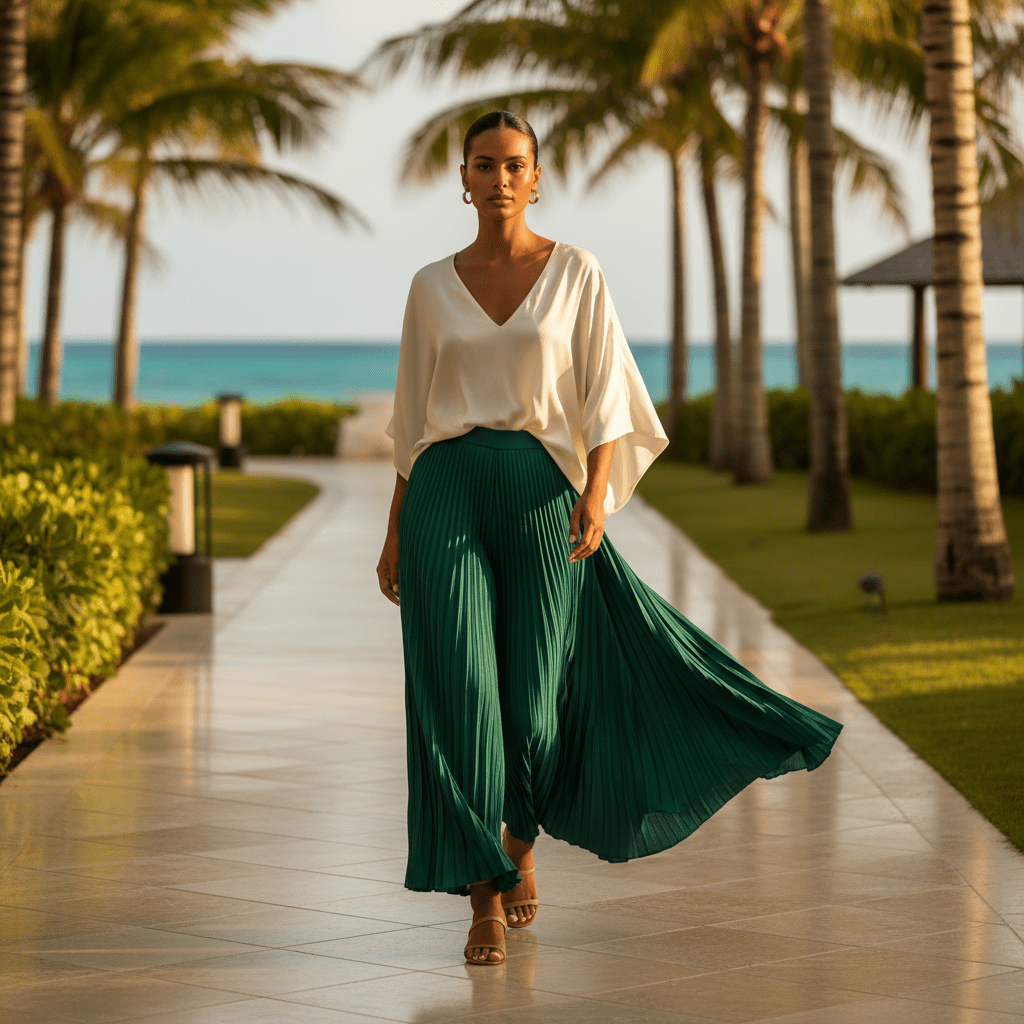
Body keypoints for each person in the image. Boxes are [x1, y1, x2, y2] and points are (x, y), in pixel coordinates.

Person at [377, 111, 842, 966]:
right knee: (460, 698)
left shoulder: (576, 272)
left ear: (537, 176)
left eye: (514, 165)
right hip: (446, 494)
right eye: (483, 165)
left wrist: (595, 491)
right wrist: (395, 526)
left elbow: (607, 395)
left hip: (541, 495)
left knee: (534, 706)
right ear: (464, 179)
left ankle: (520, 839)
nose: (499, 179)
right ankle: (482, 896)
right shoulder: (429, 286)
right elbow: (411, 419)